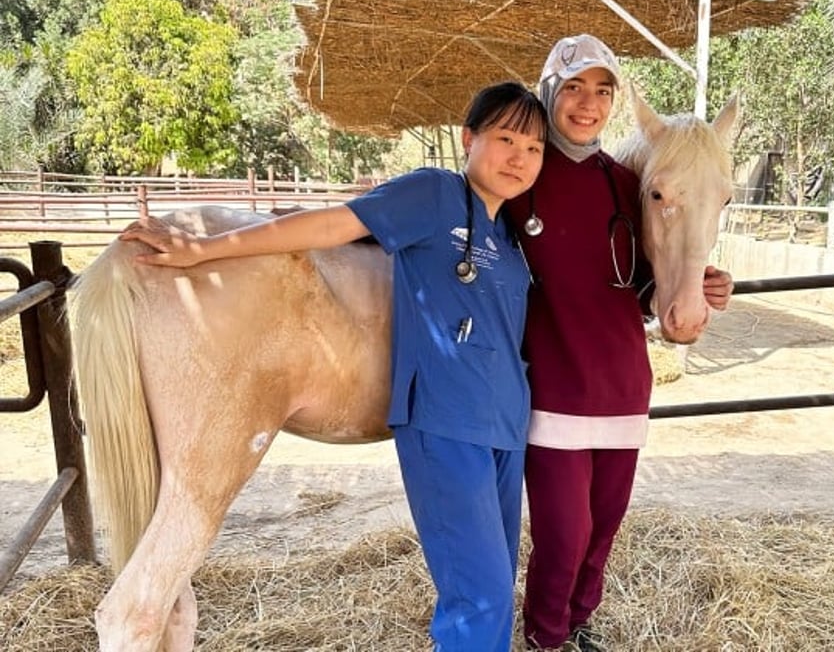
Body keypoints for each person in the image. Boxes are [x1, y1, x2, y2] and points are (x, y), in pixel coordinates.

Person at [119, 81, 547, 652]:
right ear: (469, 139)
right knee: (480, 595)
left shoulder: (513, 233)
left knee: (497, 587)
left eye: (535, 148)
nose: (519, 157)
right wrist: (207, 250)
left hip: (504, 427)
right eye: (505, 138)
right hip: (446, 424)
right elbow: (330, 226)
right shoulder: (435, 194)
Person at [503, 35, 734, 651]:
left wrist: (705, 285)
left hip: (624, 388)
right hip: (553, 389)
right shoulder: (521, 176)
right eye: (574, 88)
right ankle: (546, 637)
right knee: (565, 534)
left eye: (602, 91)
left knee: (603, 530)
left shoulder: (626, 183)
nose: (588, 104)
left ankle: (578, 627)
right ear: (550, 92)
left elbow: (644, 279)